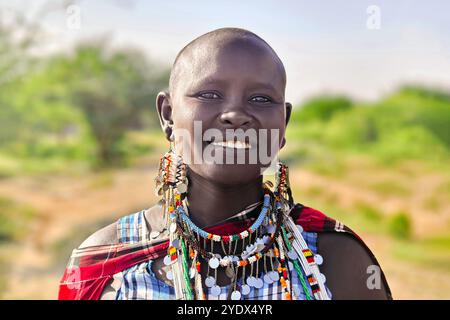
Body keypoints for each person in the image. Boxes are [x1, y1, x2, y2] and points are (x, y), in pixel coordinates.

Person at [58, 27, 392, 300]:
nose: (235, 115)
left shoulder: (337, 259)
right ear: (168, 114)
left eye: (260, 99)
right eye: (209, 95)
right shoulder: (104, 265)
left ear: (283, 124)